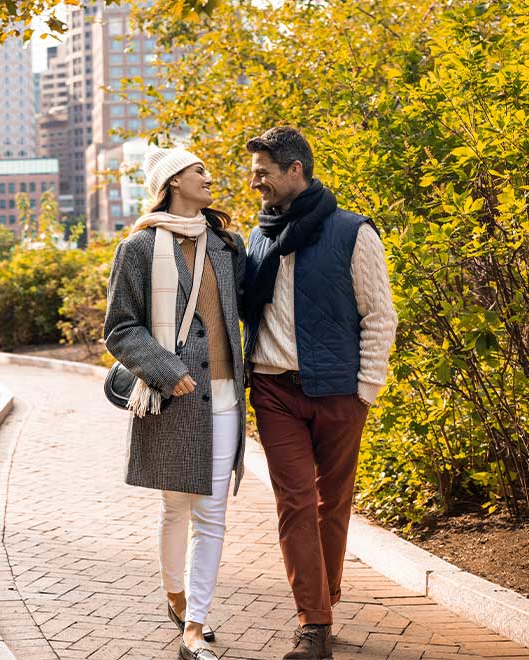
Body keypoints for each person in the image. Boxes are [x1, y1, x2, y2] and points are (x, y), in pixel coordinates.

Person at [242, 126, 398, 660]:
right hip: (273, 389)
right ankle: (313, 623)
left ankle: (324, 597)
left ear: (295, 170)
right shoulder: (258, 236)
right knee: (295, 502)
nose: (255, 180)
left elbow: (380, 316)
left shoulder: (353, 232)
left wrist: (365, 392)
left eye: (264, 171)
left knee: (334, 504)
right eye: (253, 170)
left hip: (338, 394)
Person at [104, 147, 247, 660]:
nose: (209, 178)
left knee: (212, 515)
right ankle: (176, 595)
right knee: (175, 509)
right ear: (172, 183)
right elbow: (119, 329)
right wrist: (168, 371)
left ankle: (195, 624)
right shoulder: (139, 248)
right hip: (173, 398)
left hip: (226, 396)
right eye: (198, 171)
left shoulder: (227, 247)